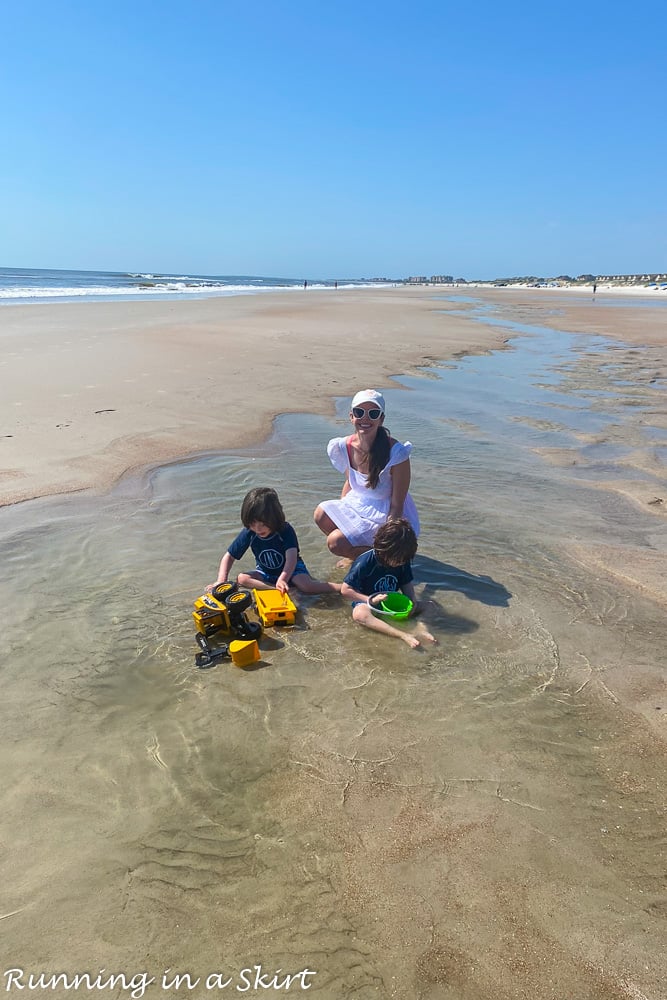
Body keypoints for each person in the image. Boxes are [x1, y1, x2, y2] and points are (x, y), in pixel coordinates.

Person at [314, 389, 420, 560]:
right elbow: (350, 482)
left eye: (373, 413)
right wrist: (344, 515)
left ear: (381, 419)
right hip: (359, 504)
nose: (365, 418)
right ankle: (358, 556)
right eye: (359, 412)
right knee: (321, 514)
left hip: (386, 513)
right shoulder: (342, 446)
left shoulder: (397, 453)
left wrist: (390, 541)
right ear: (351, 416)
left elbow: (397, 505)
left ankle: (382, 560)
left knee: (335, 542)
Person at [208, 487, 341, 595]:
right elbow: (229, 557)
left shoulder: (285, 530)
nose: (258, 529)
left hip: (292, 570)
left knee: (306, 586)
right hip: (266, 572)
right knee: (242, 579)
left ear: (275, 517)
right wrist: (221, 581)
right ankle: (279, 590)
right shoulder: (250, 532)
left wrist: (283, 578)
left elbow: (291, 558)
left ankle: (341, 587)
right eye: (253, 524)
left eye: (263, 524)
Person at [341, 519, 435, 648]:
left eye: (403, 560)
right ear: (382, 549)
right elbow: (346, 590)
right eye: (397, 560)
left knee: (430, 606)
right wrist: (369, 599)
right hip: (369, 603)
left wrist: (412, 600)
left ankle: (421, 628)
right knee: (360, 615)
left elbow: (406, 582)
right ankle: (402, 634)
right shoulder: (365, 561)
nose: (400, 563)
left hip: (392, 605)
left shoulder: (403, 560)